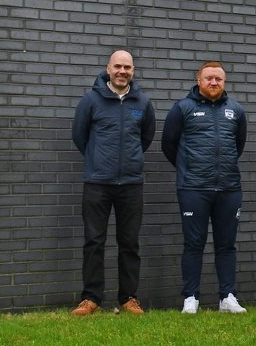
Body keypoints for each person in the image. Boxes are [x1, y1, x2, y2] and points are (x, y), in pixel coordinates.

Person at [70, 49, 156, 316]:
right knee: (94, 241)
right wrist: (99, 160)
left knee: (129, 243)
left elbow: (146, 138)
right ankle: (91, 298)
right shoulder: (91, 100)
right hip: (97, 183)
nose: (122, 72)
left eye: (127, 67)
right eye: (118, 66)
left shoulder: (142, 102)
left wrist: (128, 161)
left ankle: (128, 298)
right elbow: (79, 136)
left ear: (133, 71)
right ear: (108, 69)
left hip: (131, 184)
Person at [161, 60, 248, 314]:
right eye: (209, 78)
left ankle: (227, 297)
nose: (214, 82)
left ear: (224, 82)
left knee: (226, 245)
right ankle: (191, 298)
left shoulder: (236, 110)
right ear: (198, 80)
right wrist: (188, 169)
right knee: (193, 244)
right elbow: (169, 145)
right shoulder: (183, 108)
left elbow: (238, 146)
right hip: (193, 189)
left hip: (229, 188)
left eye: (218, 79)